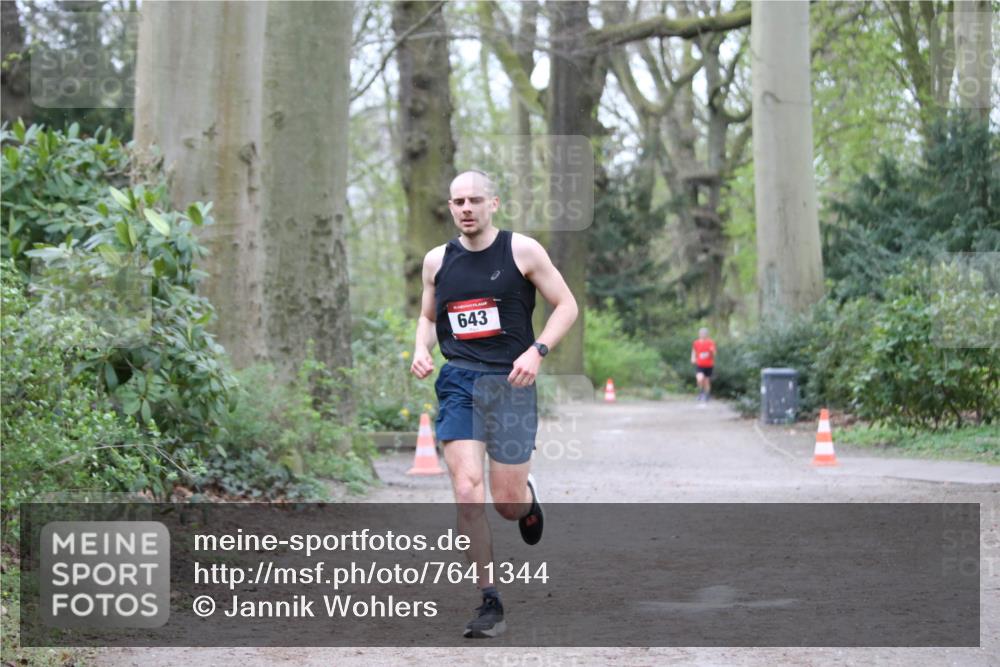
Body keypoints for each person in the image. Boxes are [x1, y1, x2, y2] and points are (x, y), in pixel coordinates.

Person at [410, 169, 578, 638]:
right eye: (458, 201)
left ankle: (525, 502)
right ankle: (490, 601)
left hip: (512, 381)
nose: (466, 208)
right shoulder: (436, 261)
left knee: (504, 503)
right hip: (460, 380)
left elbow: (566, 305)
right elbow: (427, 317)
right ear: (450, 207)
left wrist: (536, 350)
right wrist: (421, 348)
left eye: (474, 200)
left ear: (493, 204)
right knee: (467, 491)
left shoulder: (522, 251)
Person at [691, 327, 716, 403]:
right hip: (700, 364)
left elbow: (714, 353)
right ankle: (700, 394)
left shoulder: (711, 342)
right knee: (699, 379)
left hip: (709, 364)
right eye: (701, 333)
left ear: (707, 334)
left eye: (704, 333)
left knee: (706, 381)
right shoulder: (696, 342)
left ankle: (707, 395)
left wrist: (711, 352)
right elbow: (694, 351)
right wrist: (692, 358)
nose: (702, 335)